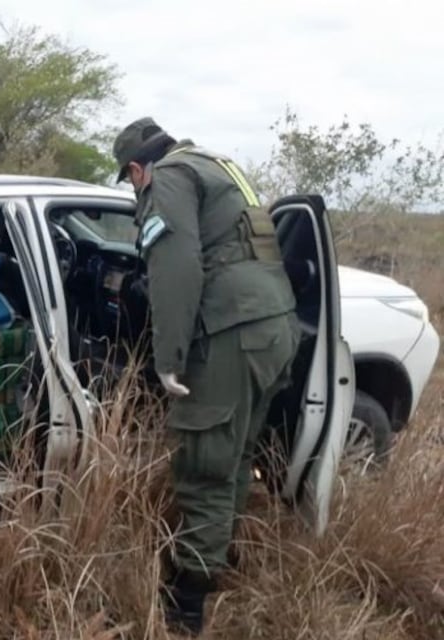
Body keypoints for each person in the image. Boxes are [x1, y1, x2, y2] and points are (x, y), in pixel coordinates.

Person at [111, 117, 301, 636]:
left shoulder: (167, 179)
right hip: (276, 328)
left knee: (204, 466)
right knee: (236, 456)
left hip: (232, 334)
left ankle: (187, 602)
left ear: (136, 169)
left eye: (129, 184)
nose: (134, 190)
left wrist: (167, 357)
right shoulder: (219, 166)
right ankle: (217, 557)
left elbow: (177, 267)